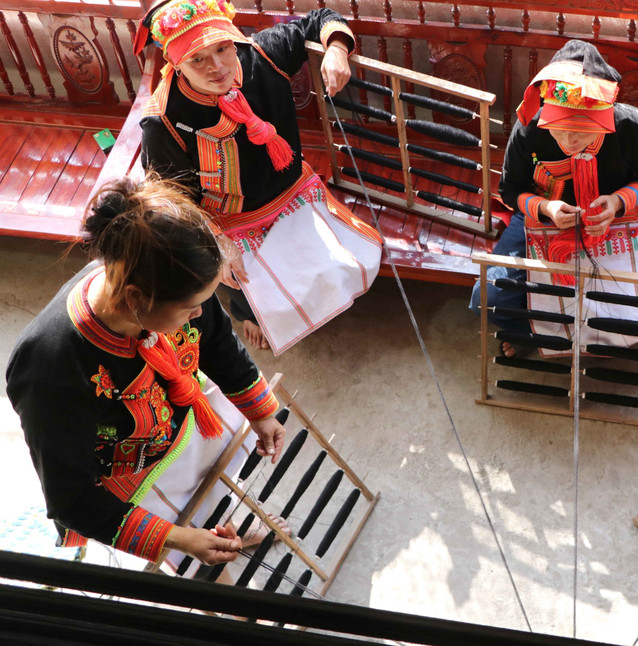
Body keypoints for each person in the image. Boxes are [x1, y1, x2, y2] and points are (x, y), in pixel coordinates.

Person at [6, 176, 287, 567]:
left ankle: (228, 522)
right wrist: (180, 539)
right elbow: (72, 498)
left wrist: (260, 411)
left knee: (215, 494)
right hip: (133, 474)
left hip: (181, 416)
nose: (200, 314)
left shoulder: (155, 282)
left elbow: (215, 338)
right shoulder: (48, 370)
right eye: (192, 306)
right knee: (201, 556)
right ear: (136, 299)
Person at [136, 0, 383, 353]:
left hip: (291, 189)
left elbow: (319, 20)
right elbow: (171, 199)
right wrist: (217, 242)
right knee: (245, 282)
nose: (218, 66)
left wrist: (337, 50)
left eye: (223, 48)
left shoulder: (261, 56)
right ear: (176, 64)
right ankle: (248, 313)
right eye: (198, 59)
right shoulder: (164, 119)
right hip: (233, 218)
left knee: (327, 266)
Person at [469, 40, 638, 358]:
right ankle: (535, 332)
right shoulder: (530, 128)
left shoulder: (632, 126)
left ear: (605, 118)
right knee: (490, 296)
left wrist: (617, 202)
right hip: (539, 217)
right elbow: (510, 189)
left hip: (614, 219)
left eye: (580, 130)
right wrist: (545, 207)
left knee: (627, 306)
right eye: (559, 129)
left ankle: (578, 337)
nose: (568, 140)